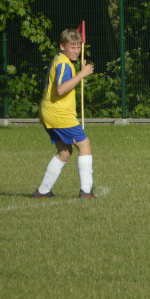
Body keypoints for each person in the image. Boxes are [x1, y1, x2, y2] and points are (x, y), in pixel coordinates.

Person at [34, 28, 96, 199]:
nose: (76, 51)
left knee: (64, 152)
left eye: (78, 47)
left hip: (48, 112)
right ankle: (86, 191)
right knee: (84, 145)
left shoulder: (60, 59)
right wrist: (82, 74)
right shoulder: (64, 64)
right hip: (59, 114)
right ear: (62, 46)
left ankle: (43, 191)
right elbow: (61, 89)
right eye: (72, 47)